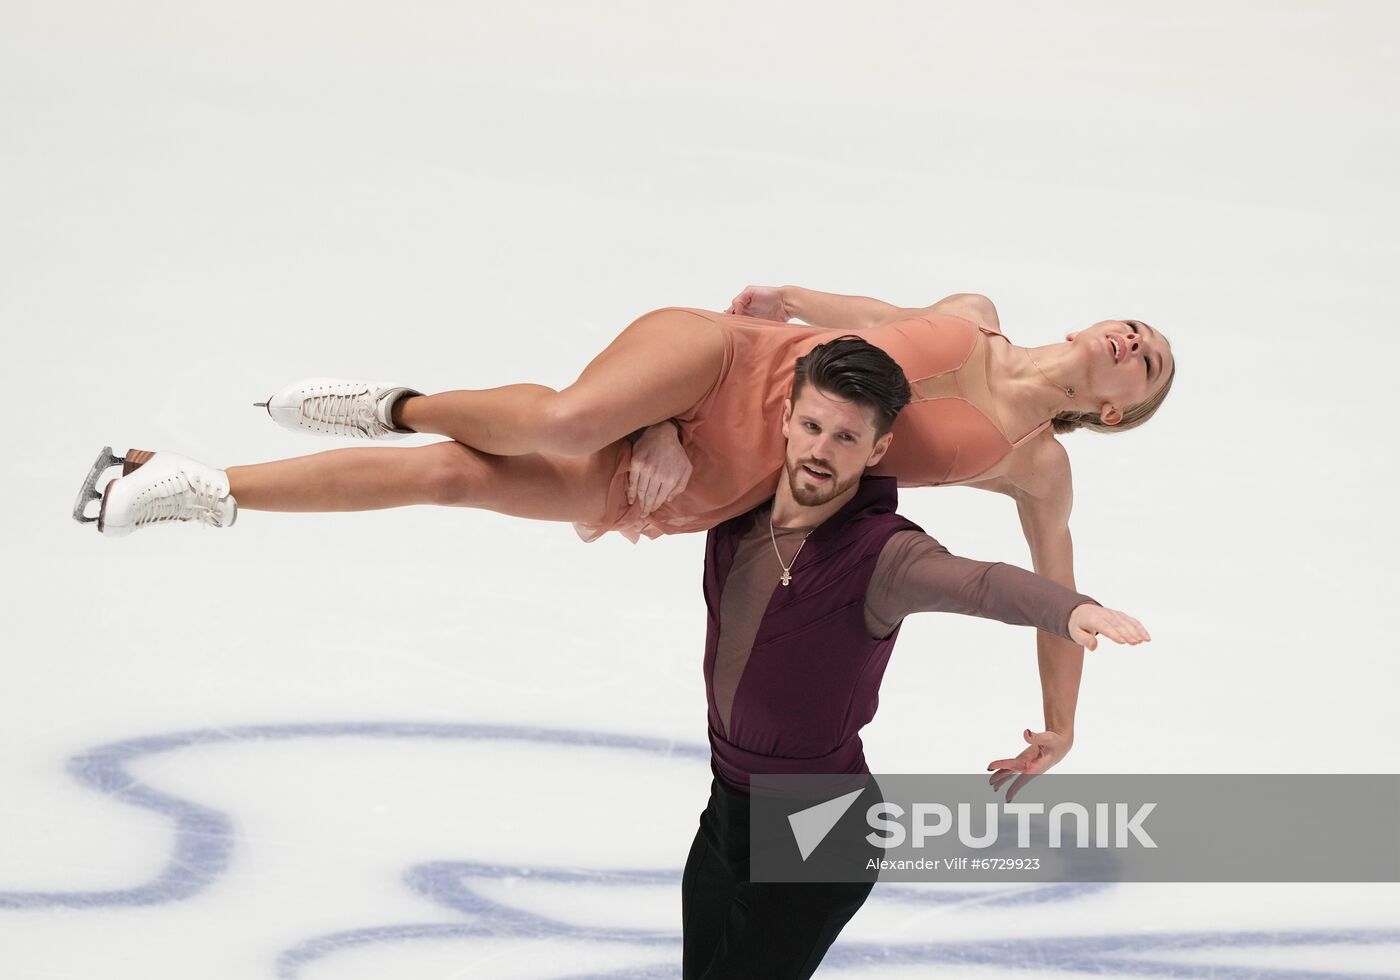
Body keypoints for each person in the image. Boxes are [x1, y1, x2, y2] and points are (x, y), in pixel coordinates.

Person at [73, 284, 1174, 786]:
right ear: (1089, 319)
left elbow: (1052, 587)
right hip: (722, 364)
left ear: (1115, 408)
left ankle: (194, 486)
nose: (1134, 340)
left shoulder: (1033, 464)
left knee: (458, 480)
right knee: (564, 414)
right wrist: (670, 398)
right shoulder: (969, 306)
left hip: (716, 477)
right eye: (1136, 327)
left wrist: (1057, 723)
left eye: (1149, 361)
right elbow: (804, 317)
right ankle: (396, 399)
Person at [678, 335, 1148, 979]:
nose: (820, 450)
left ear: (877, 451)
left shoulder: (884, 555)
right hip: (727, 809)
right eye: (812, 426)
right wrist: (654, 442)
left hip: (822, 832)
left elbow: (981, 582)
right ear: (785, 421)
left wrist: (1072, 609)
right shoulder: (732, 502)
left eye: (846, 438)